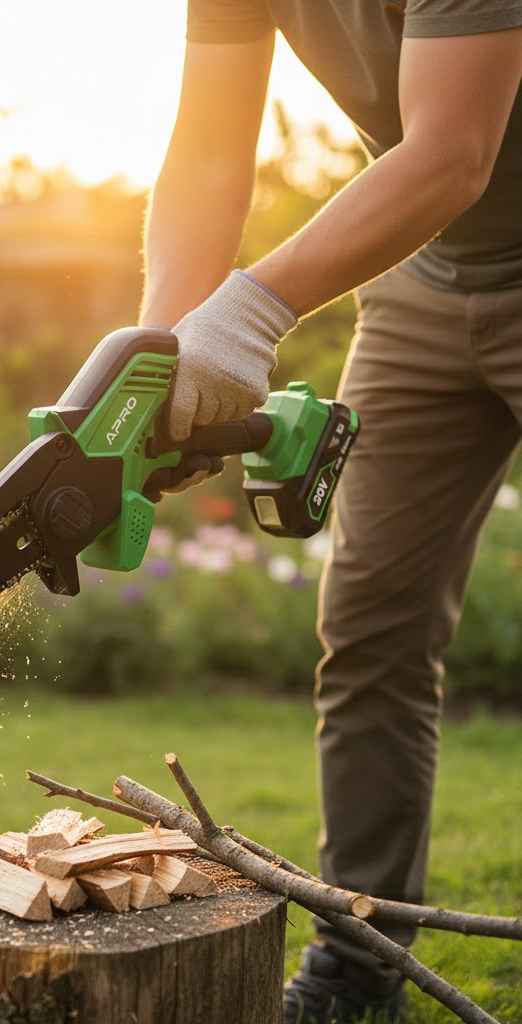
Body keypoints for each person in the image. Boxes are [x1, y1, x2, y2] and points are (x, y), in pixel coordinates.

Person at [139, 3, 522, 1022]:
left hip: (463, 210)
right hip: (426, 287)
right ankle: (358, 970)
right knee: (371, 635)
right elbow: (210, 154)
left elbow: (452, 152)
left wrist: (253, 310)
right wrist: (162, 353)